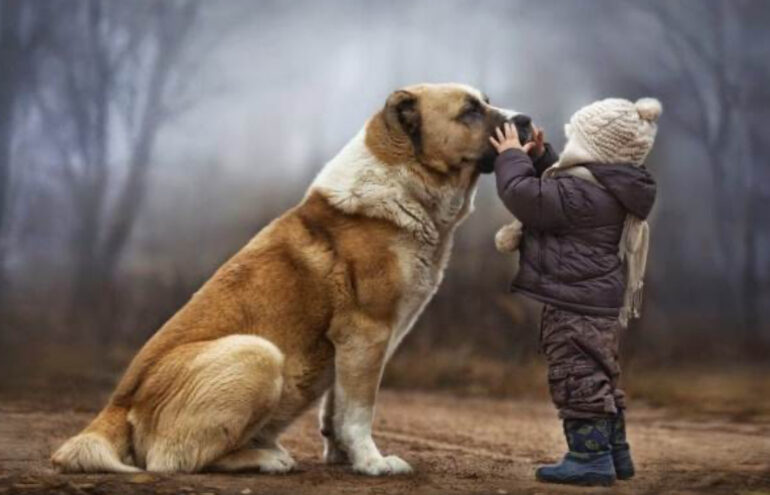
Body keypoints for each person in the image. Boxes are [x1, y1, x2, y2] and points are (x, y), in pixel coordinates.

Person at [489, 98, 661, 486]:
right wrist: (540, 157)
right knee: (598, 374)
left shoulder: (581, 194)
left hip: (574, 303)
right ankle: (615, 453)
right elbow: (556, 190)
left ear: (594, 149)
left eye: (575, 141)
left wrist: (511, 157)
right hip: (594, 300)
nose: (569, 149)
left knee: (576, 375)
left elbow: (524, 196)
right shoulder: (606, 186)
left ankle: (589, 459)